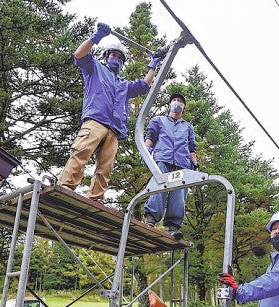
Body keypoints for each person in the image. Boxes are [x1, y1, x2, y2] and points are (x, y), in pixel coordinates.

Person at [58, 22, 162, 202]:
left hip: (113, 130)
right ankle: (66, 186)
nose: (117, 59)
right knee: (81, 153)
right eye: (114, 55)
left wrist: (153, 65)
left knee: (105, 167)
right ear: (107, 57)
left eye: (120, 58)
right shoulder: (95, 68)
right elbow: (79, 55)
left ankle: (96, 198)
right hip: (95, 122)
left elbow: (144, 85)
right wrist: (96, 37)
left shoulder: (123, 85)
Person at [142, 93, 197, 240]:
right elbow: (150, 138)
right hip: (162, 158)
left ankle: (173, 227)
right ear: (170, 104)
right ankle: (151, 220)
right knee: (159, 187)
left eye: (180, 101)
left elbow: (192, 147)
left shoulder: (187, 127)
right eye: (174, 100)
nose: (177, 103)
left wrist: (194, 162)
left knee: (178, 195)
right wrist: (146, 153)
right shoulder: (158, 120)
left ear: (183, 108)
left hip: (182, 163)